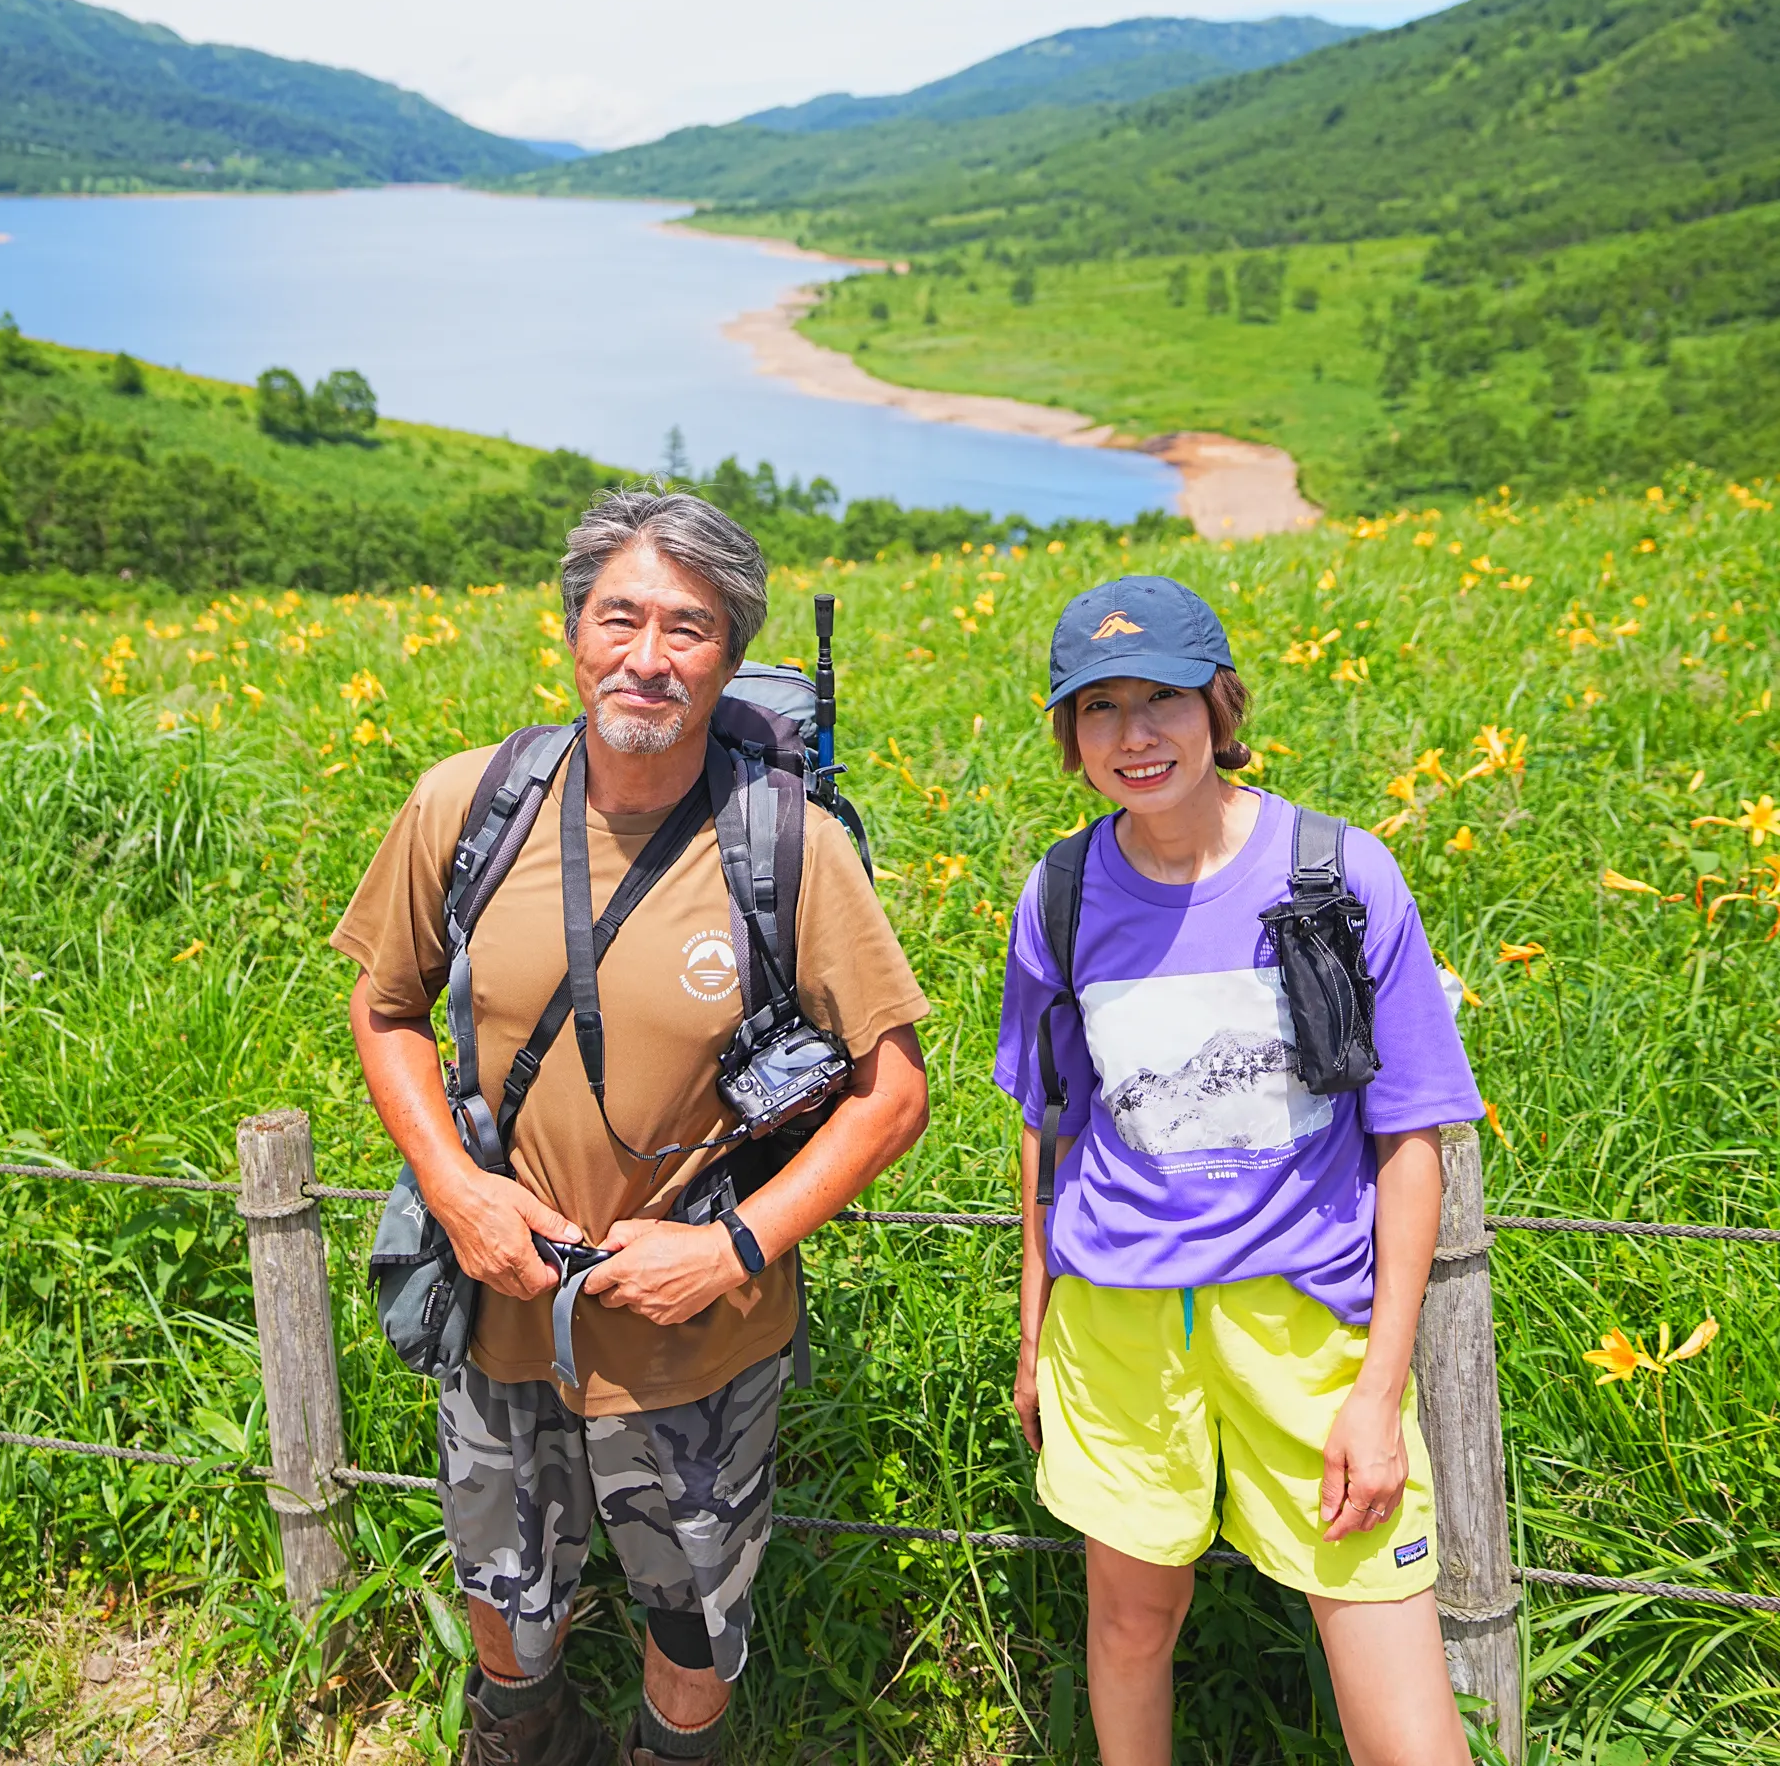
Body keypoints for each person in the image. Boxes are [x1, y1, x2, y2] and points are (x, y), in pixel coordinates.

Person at [333, 490, 930, 1766]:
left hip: (701, 1338)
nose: (647, 655)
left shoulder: (790, 846)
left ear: (728, 655)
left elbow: (895, 1094)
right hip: (497, 1309)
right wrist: (457, 1191)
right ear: (572, 632)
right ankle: (522, 1740)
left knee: (694, 1615)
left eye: (688, 627)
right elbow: (383, 1006)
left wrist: (732, 1251)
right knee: (503, 1587)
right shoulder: (466, 805)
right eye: (621, 617)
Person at [994, 574, 1482, 1766]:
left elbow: (1410, 1137)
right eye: (1098, 707)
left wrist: (1378, 1388)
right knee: (1129, 1621)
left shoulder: (1339, 873)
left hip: (1309, 1332)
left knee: (1406, 1720)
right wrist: (1033, 1332)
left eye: (1162, 698)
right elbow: (1052, 1128)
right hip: (1115, 1330)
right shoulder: (1058, 896)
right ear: (1070, 735)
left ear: (1220, 706)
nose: (1134, 735)